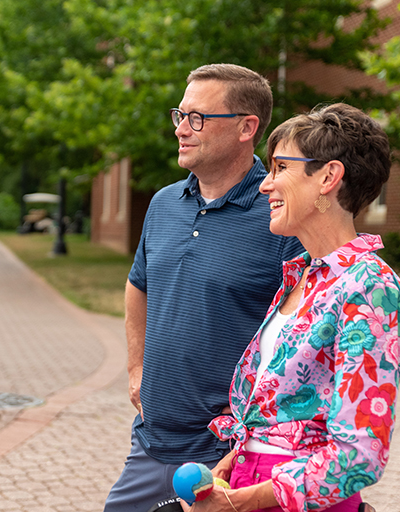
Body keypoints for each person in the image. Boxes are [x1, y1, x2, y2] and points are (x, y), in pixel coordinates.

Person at [191, 103, 400, 512]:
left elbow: (359, 455)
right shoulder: (302, 277)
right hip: (248, 486)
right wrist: (235, 465)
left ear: (328, 176)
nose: (264, 185)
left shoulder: (371, 289)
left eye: (280, 168)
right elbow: (282, 414)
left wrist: (246, 499)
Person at [104, 63, 304, 512]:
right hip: (153, 440)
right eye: (180, 115)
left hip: (231, 455)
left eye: (198, 118)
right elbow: (139, 286)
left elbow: (302, 333)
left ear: (246, 127)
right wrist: (136, 369)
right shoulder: (162, 204)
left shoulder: (280, 218)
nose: (181, 130)